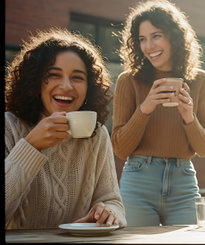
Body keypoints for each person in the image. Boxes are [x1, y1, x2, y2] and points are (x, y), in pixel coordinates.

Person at [5, 28, 126, 229]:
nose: (67, 86)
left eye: (77, 77)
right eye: (54, 75)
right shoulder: (9, 126)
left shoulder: (97, 135)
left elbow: (113, 201)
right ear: (35, 81)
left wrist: (109, 213)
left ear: (90, 87)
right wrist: (30, 146)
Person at [112, 0, 205, 226]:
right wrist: (145, 108)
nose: (148, 46)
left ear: (174, 36)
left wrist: (189, 116)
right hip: (138, 182)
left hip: (183, 183)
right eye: (142, 39)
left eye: (156, 36)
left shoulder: (201, 81)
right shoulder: (129, 81)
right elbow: (120, 148)